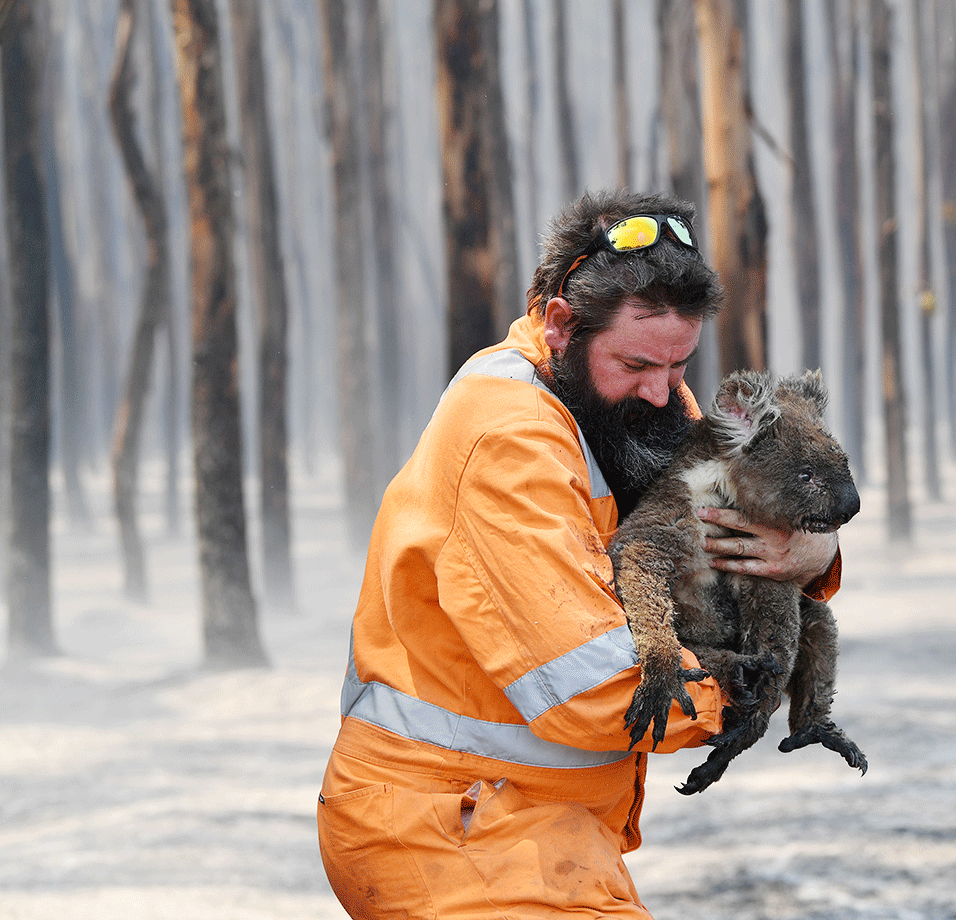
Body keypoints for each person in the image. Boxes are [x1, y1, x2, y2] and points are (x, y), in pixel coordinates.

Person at [317, 189, 843, 919]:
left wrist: (815, 551)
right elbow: (590, 687)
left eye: (680, 366)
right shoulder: (508, 438)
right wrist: (749, 685)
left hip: (539, 823)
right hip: (449, 826)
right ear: (563, 326)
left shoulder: (635, 400)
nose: (664, 395)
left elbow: (746, 522)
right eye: (638, 364)